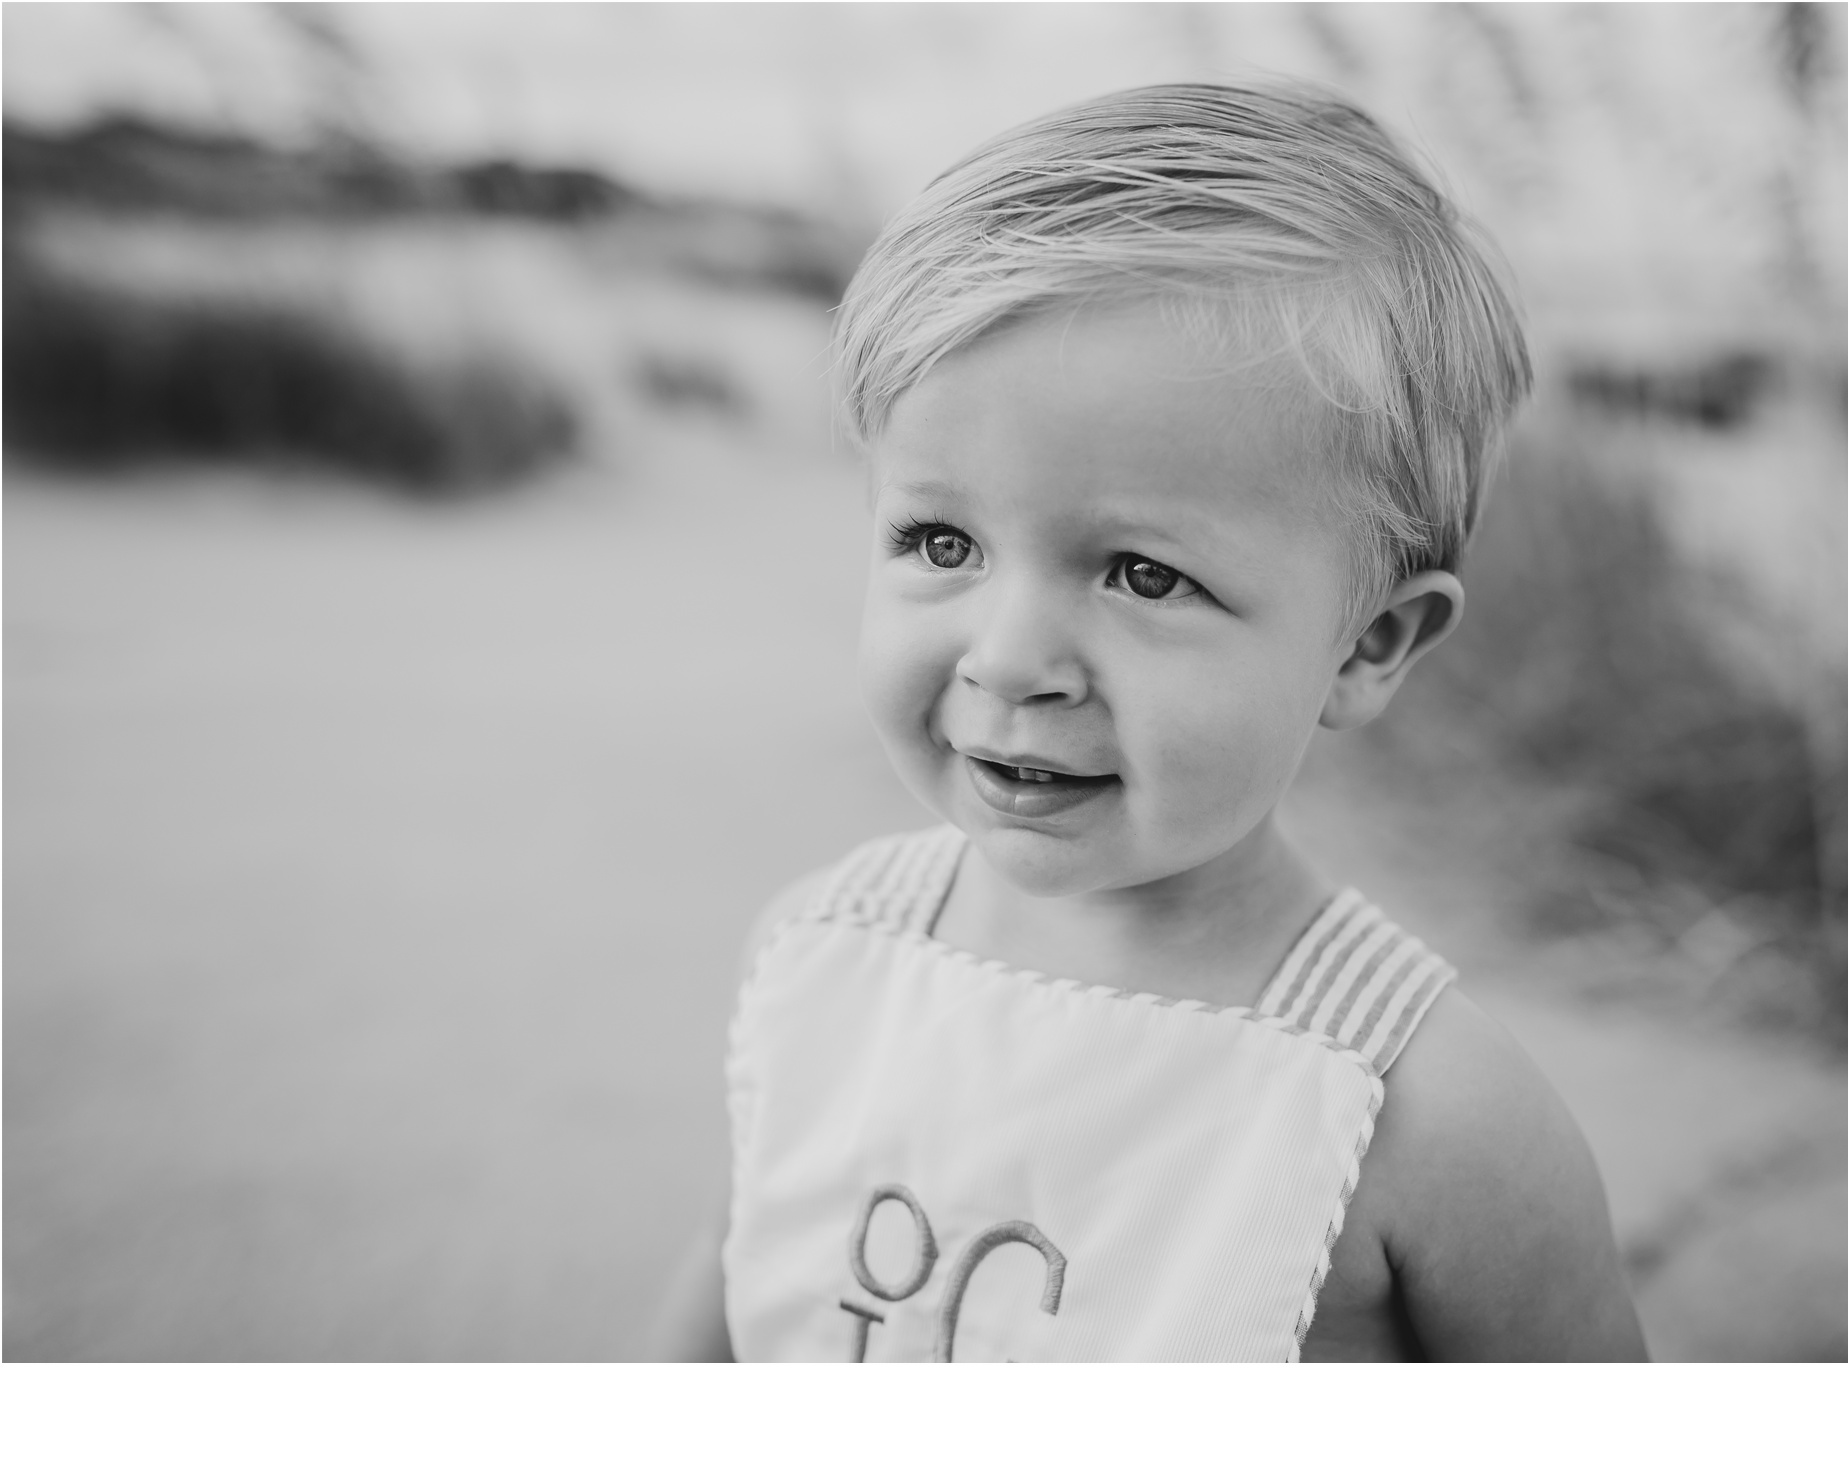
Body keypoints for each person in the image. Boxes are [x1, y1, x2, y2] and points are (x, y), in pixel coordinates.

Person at [665, 81, 1647, 1362]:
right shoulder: (820, 950)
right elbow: (733, 1284)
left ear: (1367, 645)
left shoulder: (1420, 1114)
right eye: (938, 538)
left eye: (1143, 574)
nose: (1009, 658)